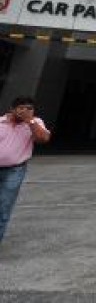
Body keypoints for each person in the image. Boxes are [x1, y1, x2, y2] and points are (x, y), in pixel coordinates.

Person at [0, 96, 51, 244]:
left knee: (4, 205)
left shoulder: (35, 123)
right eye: (22, 108)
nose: (26, 111)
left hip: (14, 171)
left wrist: (30, 121)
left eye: (30, 108)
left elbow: (43, 139)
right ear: (12, 109)